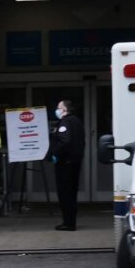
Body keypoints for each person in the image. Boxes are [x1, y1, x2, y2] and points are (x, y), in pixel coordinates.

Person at [47, 98, 85, 231]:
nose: (56, 110)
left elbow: (65, 141)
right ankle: (71, 221)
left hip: (65, 164)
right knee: (72, 193)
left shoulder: (65, 122)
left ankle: (68, 223)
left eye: (58, 107)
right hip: (75, 163)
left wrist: (55, 154)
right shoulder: (77, 121)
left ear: (64, 110)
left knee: (65, 194)